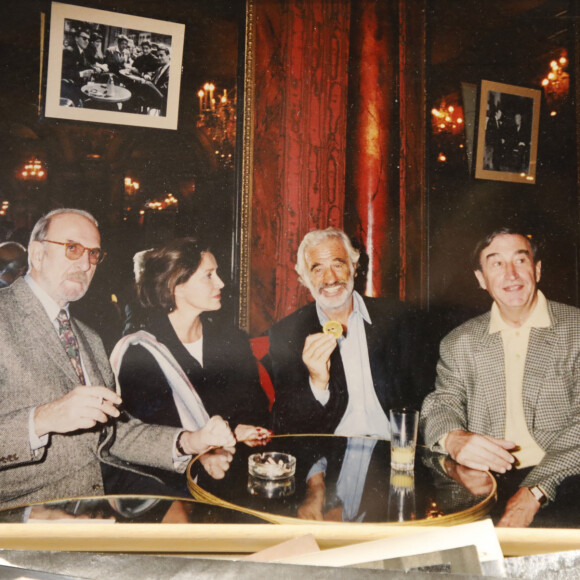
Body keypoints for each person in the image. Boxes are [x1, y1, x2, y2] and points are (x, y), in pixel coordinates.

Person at [0, 209, 235, 509]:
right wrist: (43, 419)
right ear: (37, 253)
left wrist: (190, 440)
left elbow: (114, 433)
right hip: (24, 510)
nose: (85, 263)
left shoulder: (90, 339)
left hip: (98, 497)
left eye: (94, 254)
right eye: (72, 248)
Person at [421, 227, 580, 527]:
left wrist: (536, 489)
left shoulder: (575, 330)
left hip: (568, 476)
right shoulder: (460, 342)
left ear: (537, 269)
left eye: (520, 261)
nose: (511, 274)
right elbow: (442, 402)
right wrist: (454, 438)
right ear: (481, 279)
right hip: (485, 482)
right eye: (496, 264)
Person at [105, 238, 271, 493]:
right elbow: (149, 435)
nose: (221, 283)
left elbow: (255, 404)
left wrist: (240, 429)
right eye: (209, 275)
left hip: (233, 470)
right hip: (172, 487)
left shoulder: (231, 339)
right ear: (177, 286)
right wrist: (206, 450)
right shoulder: (142, 352)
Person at [268, 227, 427, 436]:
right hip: (331, 457)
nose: (331, 278)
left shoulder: (400, 319)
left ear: (353, 266)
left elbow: (427, 398)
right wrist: (316, 382)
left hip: (393, 451)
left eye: (338, 264)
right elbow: (285, 425)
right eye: (318, 270)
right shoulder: (287, 334)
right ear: (305, 278)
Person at [61, 28, 94, 105]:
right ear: (76, 38)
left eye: (88, 39)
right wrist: (81, 74)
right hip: (70, 87)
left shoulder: (82, 51)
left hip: (80, 85)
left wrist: (93, 69)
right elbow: (63, 72)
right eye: (84, 38)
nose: (87, 41)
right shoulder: (69, 51)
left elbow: (85, 65)